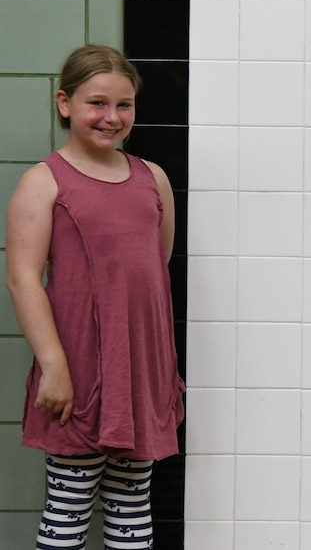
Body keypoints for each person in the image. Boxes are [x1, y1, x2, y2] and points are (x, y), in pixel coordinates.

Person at [5, 45, 185, 550]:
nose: (112, 117)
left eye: (124, 105)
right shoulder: (43, 182)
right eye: (97, 103)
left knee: (133, 506)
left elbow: (154, 265)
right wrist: (55, 366)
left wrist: (158, 370)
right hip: (78, 368)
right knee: (69, 503)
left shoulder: (154, 179)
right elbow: (22, 278)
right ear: (65, 103)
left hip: (141, 368)